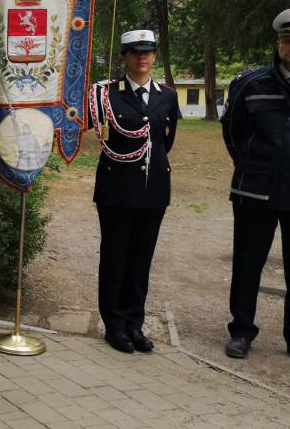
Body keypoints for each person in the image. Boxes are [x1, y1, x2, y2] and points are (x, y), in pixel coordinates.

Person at [221, 7, 290, 370]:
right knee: (248, 263)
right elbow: (233, 132)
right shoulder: (251, 84)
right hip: (257, 190)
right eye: (287, 40)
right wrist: (251, 165)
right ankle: (241, 332)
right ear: (278, 44)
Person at [88, 30, 179, 354]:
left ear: (154, 55)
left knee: (141, 259)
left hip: (153, 189)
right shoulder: (105, 94)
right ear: (124, 57)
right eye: (135, 52)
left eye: (148, 51)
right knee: (115, 258)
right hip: (117, 189)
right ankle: (114, 325)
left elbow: (166, 141)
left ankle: (134, 323)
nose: (142, 57)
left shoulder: (166, 95)